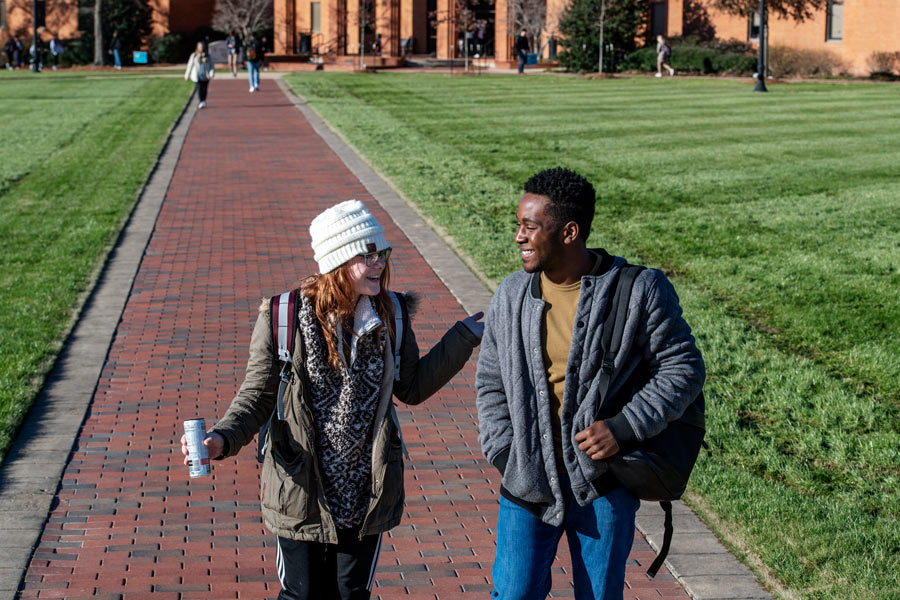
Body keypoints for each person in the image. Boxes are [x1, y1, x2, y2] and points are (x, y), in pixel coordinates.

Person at [181, 200, 484, 600]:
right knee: (302, 595)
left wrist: (462, 338)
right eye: (367, 255)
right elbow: (257, 395)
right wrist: (221, 439)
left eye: (382, 254)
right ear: (339, 262)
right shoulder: (283, 316)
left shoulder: (391, 313)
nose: (379, 264)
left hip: (367, 486)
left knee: (349, 594)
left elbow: (411, 387)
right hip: (300, 485)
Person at [476, 167, 705, 600]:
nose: (518, 237)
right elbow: (491, 381)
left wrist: (624, 428)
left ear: (568, 232)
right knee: (512, 593)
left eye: (529, 226)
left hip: (603, 483)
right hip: (526, 482)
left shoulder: (640, 290)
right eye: (518, 225)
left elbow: (683, 369)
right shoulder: (510, 294)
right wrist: (505, 451)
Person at [184, 41, 215, 109]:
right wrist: (187, 75)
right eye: (200, 47)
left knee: (205, 89)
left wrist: (211, 73)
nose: (201, 48)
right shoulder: (194, 55)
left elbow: (211, 66)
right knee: (199, 89)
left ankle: (203, 101)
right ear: (197, 47)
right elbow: (190, 65)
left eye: (202, 46)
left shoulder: (208, 56)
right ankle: (201, 101)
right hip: (197, 76)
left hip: (205, 75)